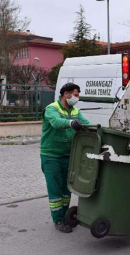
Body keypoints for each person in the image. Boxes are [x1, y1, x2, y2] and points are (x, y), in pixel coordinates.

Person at [40, 83, 90, 233]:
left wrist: (101, 129)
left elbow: (87, 124)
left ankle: (66, 216)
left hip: (68, 155)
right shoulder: (52, 109)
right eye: (75, 94)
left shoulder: (74, 111)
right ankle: (58, 220)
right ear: (66, 94)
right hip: (51, 156)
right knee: (55, 190)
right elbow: (56, 123)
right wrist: (71, 123)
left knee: (66, 189)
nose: (77, 98)